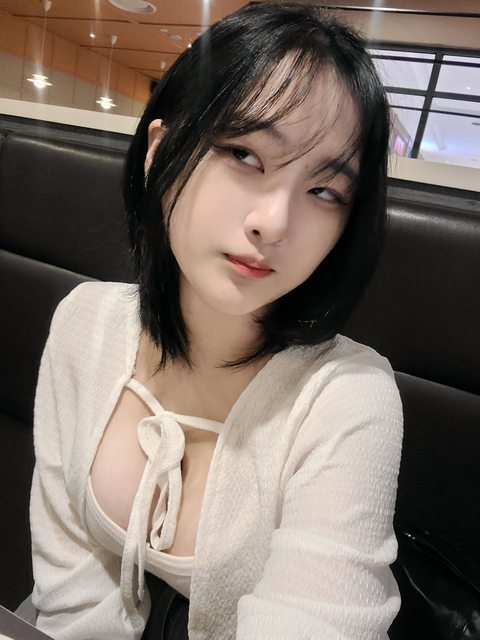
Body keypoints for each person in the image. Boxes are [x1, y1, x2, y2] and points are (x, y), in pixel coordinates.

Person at [30, 3, 403, 639]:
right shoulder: (83, 325)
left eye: (324, 191)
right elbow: (69, 590)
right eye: (244, 154)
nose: (273, 223)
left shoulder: (348, 397)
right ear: (160, 152)